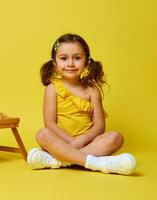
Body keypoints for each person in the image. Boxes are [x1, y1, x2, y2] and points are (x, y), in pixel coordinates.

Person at [27, 33, 136, 175]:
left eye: (77, 58)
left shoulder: (92, 90)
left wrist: (80, 142)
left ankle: (59, 161)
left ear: (87, 61)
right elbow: (50, 123)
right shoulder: (52, 88)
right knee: (43, 134)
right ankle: (97, 163)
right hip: (60, 141)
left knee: (116, 138)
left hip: (88, 143)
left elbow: (99, 126)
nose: (70, 63)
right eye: (64, 58)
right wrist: (71, 142)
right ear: (55, 62)